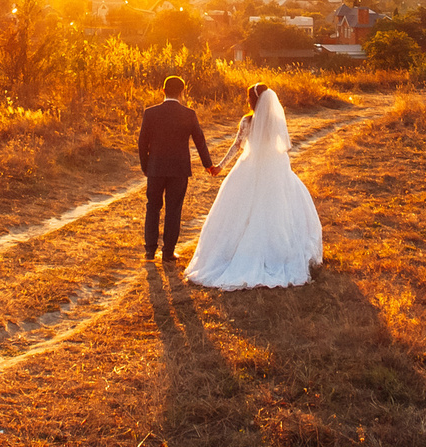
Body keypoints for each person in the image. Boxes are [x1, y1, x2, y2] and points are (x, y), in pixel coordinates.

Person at [184, 84, 322, 290]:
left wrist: (220, 167)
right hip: (274, 170)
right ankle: (276, 254)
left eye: (248, 98)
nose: (247, 101)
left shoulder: (247, 121)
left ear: (253, 100)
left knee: (239, 210)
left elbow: (237, 146)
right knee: (277, 211)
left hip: (248, 168)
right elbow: (281, 147)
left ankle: (235, 253)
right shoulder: (276, 121)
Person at [137, 74, 216, 263]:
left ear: (162, 90)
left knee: (153, 207)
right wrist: (208, 164)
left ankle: (149, 251)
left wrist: (146, 166)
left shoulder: (150, 113)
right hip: (179, 169)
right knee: (174, 209)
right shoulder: (188, 114)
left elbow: (142, 142)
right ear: (182, 92)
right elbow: (200, 141)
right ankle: (168, 252)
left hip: (155, 168)